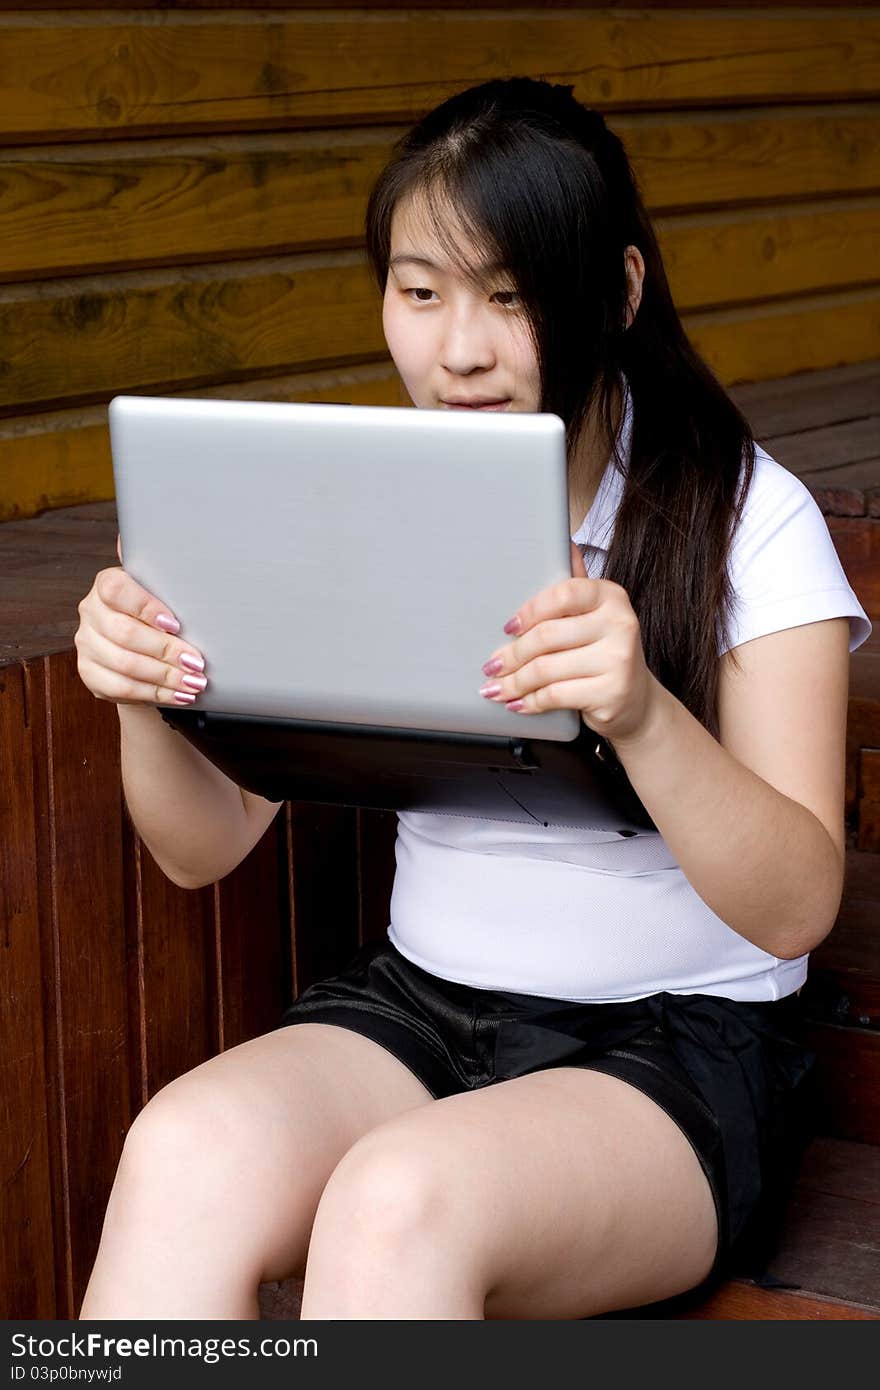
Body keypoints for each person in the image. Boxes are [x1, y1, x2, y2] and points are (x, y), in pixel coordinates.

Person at [74, 77, 872, 1320]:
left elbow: (796, 902)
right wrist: (140, 694)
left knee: (396, 1201)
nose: (458, 350)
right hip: (420, 1008)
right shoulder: (365, 495)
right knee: (181, 1148)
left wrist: (645, 716)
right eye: (420, 290)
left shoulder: (743, 519)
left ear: (615, 292)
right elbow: (203, 846)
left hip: (671, 1052)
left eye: (509, 296)